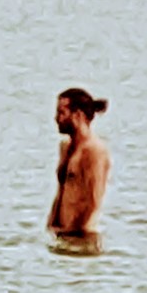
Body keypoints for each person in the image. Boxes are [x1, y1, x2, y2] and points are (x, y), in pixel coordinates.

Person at [47, 88, 110, 247]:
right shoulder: (65, 147)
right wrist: (51, 226)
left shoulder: (94, 151)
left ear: (78, 115)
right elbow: (61, 191)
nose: (56, 118)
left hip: (81, 237)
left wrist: (75, 235)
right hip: (61, 235)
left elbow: (93, 200)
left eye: (62, 113)